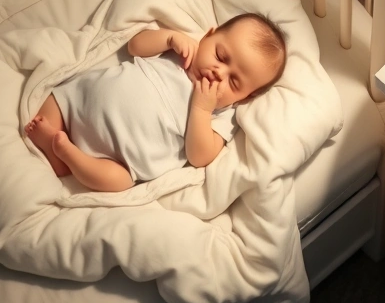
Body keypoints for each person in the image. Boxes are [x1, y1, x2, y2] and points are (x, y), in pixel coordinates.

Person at [24, 13, 287, 192]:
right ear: (209, 36)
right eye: (220, 55)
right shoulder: (183, 52)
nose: (219, 73)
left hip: (118, 158)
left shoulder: (223, 114)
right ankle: (57, 147)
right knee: (61, 97)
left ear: (246, 97)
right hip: (81, 102)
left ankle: (68, 155)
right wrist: (169, 38)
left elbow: (200, 157)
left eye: (234, 82)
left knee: (118, 181)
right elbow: (135, 46)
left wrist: (201, 108)